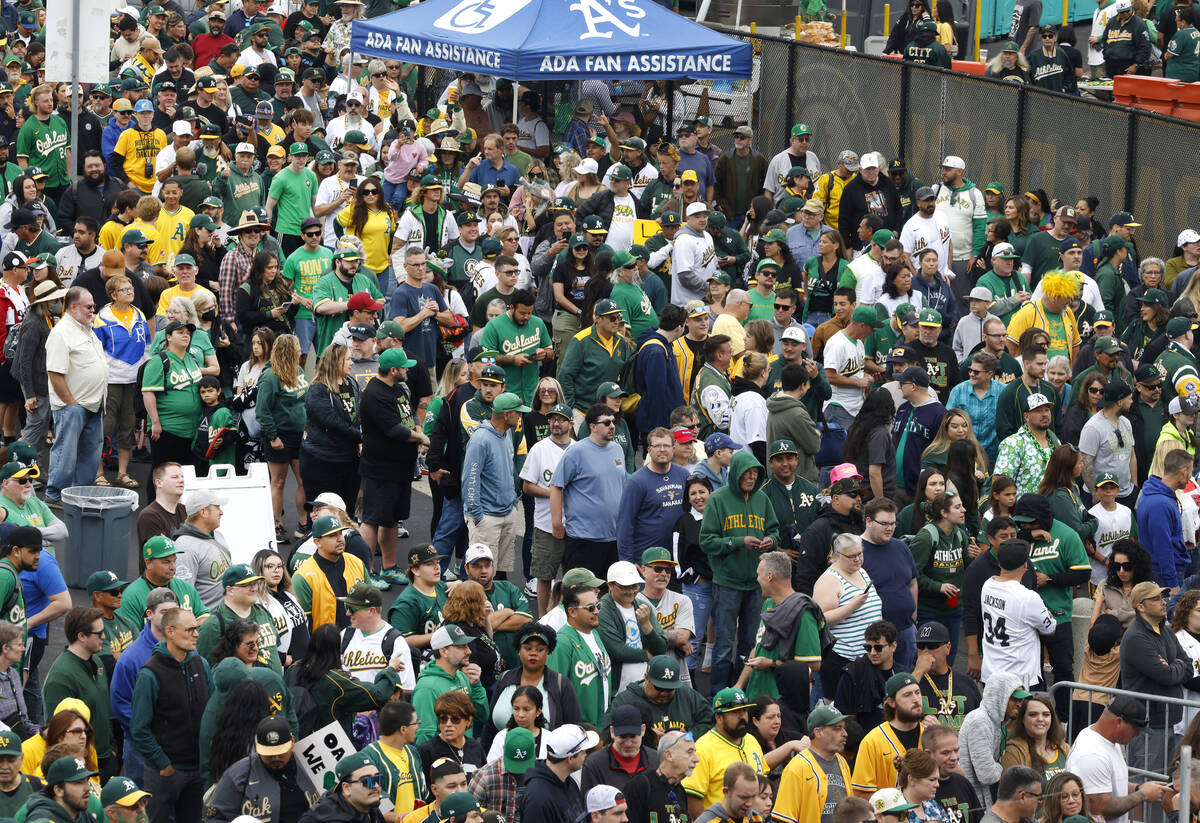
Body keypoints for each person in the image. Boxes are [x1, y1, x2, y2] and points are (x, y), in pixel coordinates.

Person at [700, 451, 779, 695]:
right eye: (747, 473)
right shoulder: (718, 500)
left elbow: (776, 531)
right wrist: (737, 542)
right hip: (727, 583)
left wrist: (770, 541)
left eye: (756, 473)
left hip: (756, 585)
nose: (752, 477)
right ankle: (716, 695)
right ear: (736, 473)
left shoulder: (762, 500)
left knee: (749, 644)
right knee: (724, 645)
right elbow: (706, 541)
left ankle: (740, 691)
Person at [130, 607, 212, 823]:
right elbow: (139, 728)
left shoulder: (201, 665)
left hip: (197, 770)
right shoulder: (150, 674)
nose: (196, 634)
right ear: (170, 631)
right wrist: (163, 765)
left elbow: (213, 712)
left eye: (197, 629)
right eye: (190, 629)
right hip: (165, 773)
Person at [1120, 580, 1192, 776]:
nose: (1163, 602)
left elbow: (1188, 668)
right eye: (1156, 598)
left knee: (1165, 784)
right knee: (1145, 784)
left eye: (1162, 597)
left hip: (1168, 720)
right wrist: (1176, 665)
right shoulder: (1136, 637)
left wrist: (1173, 665)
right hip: (1147, 723)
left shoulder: (1166, 630)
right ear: (1140, 606)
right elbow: (1166, 676)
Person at [43, 287, 107, 504]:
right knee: (66, 454)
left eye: (93, 307)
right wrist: (71, 403)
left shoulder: (85, 328)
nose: (93, 311)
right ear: (73, 307)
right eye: (89, 307)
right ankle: (53, 495)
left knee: (90, 455)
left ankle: (79, 495)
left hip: (93, 404)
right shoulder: (61, 333)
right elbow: (54, 372)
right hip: (72, 406)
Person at [551, 403, 628, 579]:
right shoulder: (576, 452)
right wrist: (556, 523)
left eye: (613, 422)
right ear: (592, 426)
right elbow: (556, 487)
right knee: (581, 593)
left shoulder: (617, 449)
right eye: (606, 423)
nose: (612, 426)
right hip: (583, 539)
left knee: (609, 592)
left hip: (613, 537)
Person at [1065, 696, 1171, 823]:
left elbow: (1107, 786)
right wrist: (1142, 795)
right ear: (1119, 722)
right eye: (1135, 728)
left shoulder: (1107, 739)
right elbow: (1101, 809)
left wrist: (1139, 788)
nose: (1137, 734)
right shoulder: (1092, 755)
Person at [206, 714, 320, 823]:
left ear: (292, 741)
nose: (275, 757)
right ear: (258, 747)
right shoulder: (238, 775)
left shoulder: (310, 762)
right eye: (269, 753)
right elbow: (214, 818)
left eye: (281, 752)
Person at [682, 690, 766, 817]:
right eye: (735, 712)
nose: (742, 716)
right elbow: (691, 798)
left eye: (744, 711)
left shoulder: (751, 741)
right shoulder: (703, 748)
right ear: (719, 717)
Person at [958, 673, 1029, 807]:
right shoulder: (980, 721)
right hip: (971, 801)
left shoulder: (994, 722)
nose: (1019, 704)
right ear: (1000, 697)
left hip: (979, 799)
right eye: (1014, 699)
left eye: (1021, 700)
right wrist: (1000, 767)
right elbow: (987, 775)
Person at [410, 623, 487, 745]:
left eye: (467, 645)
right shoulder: (427, 688)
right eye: (462, 646)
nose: (469, 651)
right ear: (444, 651)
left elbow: (482, 716)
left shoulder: (462, 676)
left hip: (465, 754)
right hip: (444, 760)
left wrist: (476, 686)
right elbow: (424, 738)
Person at [851, 673, 925, 798]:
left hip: (930, 814)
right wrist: (894, 799)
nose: (916, 699)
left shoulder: (930, 735)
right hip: (890, 816)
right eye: (907, 695)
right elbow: (860, 793)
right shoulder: (872, 741)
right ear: (891, 702)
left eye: (917, 693)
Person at [292, 514, 367, 631]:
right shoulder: (303, 577)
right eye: (332, 535)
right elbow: (302, 628)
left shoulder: (357, 563)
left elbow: (372, 604)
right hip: (324, 647)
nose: (340, 539)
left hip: (359, 643)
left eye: (340, 533)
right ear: (317, 542)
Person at [1138, 447, 1193, 589]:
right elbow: (1162, 546)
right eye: (1190, 472)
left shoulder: (1157, 492)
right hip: (1164, 575)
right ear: (1183, 472)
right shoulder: (1160, 504)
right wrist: (1173, 583)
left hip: (1162, 570)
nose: (1191, 477)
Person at [518, 724, 595, 823]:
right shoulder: (537, 799)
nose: (586, 755)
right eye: (583, 752)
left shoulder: (569, 781)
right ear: (570, 758)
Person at [623, 730, 700, 823]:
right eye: (689, 752)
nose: (696, 759)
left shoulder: (680, 791)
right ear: (669, 755)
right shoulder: (640, 785)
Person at [580, 704, 659, 794]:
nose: (628, 743)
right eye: (623, 737)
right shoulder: (594, 764)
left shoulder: (656, 760)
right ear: (612, 732)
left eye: (633, 736)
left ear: (643, 730)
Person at [297, 751, 387, 823]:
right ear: (347, 788)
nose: (376, 785)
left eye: (377, 779)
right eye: (367, 781)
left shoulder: (367, 801)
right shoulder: (332, 818)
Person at [469, 725, 534, 823]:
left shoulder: (541, 776)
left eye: (522, 764)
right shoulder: (483, 777)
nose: (518, 770)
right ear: (503, 749)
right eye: (514, 764)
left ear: (535, 749)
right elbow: (469, 815)